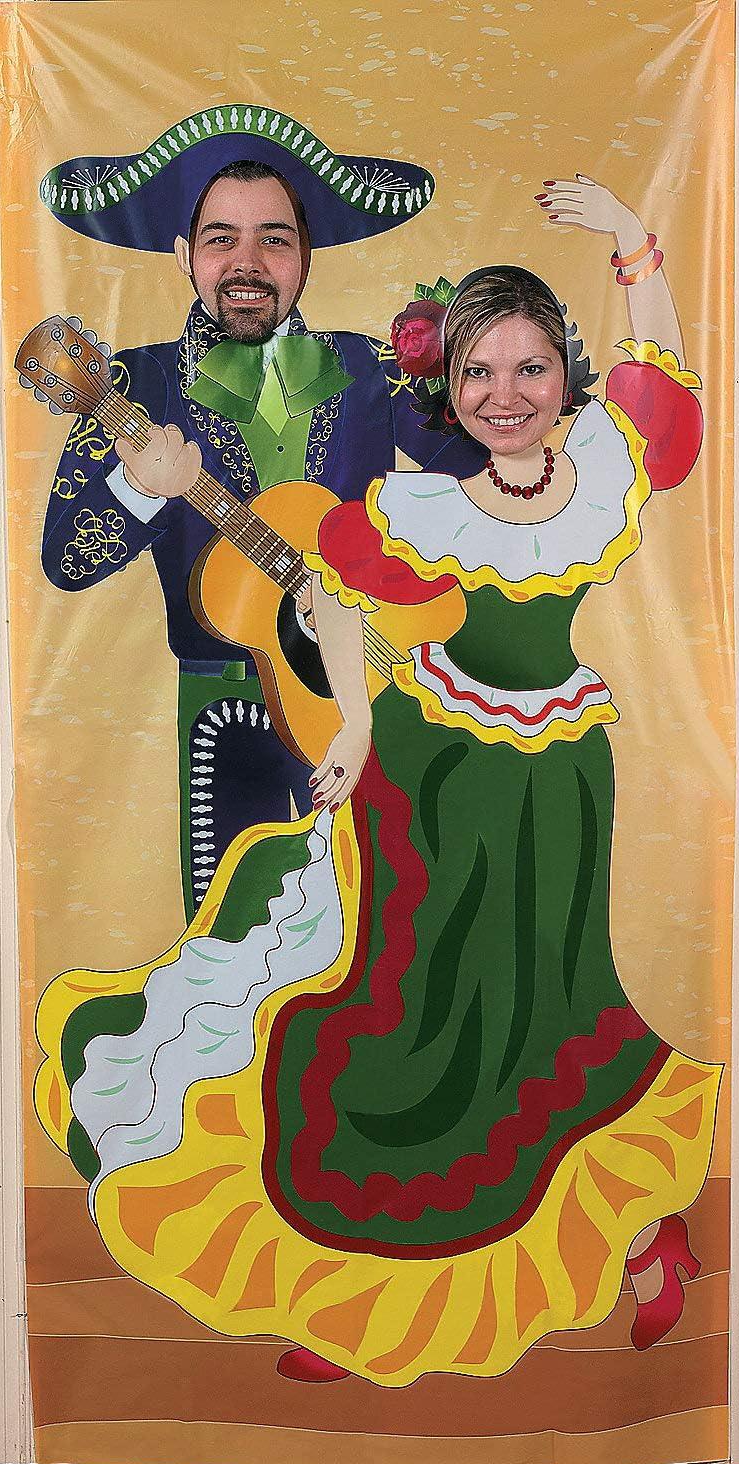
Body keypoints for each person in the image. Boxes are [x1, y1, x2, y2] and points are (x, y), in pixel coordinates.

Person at [34, 176, 723, 1388]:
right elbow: (324, 591)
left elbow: (659, 379)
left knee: (551, 1001)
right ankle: (367, 1291)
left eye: (528, 369)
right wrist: (353, 723)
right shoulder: (392, 496)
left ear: (565, 377)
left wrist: (631, 242)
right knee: (397, 1018)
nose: (504, 394)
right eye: (478, 374)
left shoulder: (566, 451)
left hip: (558, 776)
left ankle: (637, 1230)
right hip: (412, 769)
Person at [37, 108, 482, 915]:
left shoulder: (370, 368)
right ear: (185, 256)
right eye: (222, 239)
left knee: (381, 926)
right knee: (228, 932)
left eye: (274, 239)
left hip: (372, 694)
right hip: (226, 708)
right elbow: (65, 561)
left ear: (305, 256)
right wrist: (139, 490)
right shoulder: (132, 386)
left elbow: (488, 472)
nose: (248, 262)